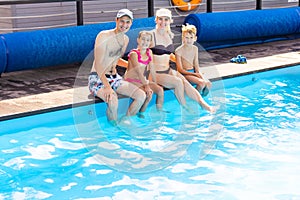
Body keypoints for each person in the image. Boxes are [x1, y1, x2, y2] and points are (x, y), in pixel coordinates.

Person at [150, 8, 214, 113]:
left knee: (185, 82)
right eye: (160, 19)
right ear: (156, 20)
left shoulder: (168, 35)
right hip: (155, 73)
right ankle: (185, 107)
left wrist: (179, 60)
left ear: (170, 21)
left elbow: (166, 54)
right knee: (178, 82)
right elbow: (142, 54)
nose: (163, 22)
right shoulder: (151, 36)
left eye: (166, 19)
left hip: (167, 70)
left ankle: (203, 104)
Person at [88, 9, 146, 125]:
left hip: (115, 77)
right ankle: (114, 129)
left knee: (141, 95)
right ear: (116, 20)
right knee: (113, 100)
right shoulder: (103, 36)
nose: (124, 25)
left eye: (127, 22)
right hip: (98, 77)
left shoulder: (125, 39)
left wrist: (134, 66)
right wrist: (107, 87)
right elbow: (99, 64)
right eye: (122, 21)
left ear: (131, 23)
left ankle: (125, 121)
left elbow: (116, 59)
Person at [124, 31, 164, 117]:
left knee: (160, 90)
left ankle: (159, 112)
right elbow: (138, 72)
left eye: (148, 40)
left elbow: (152, 69)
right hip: (131, 80)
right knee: (146, 93)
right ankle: (137, 114)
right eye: (143, 39)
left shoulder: (149, 52)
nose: (145, 42)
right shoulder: (134, 54)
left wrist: (155, 83)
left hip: (142, 80)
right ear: (138, 40)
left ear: (150, 43)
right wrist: (146, 86)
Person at [175, 24, 212, 97]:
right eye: (187, 37)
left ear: (195, 38)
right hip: (185, 74)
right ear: (183, 38)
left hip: (193, 72)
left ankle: (200, 99)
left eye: (191, 37)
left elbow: (196, 64)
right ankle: (193, 99)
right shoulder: (178, 51)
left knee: (208, 84)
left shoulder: (195, 49)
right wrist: (195, 74)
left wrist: (199, 74)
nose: (189, 40)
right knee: (201, 83)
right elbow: (180, 70)